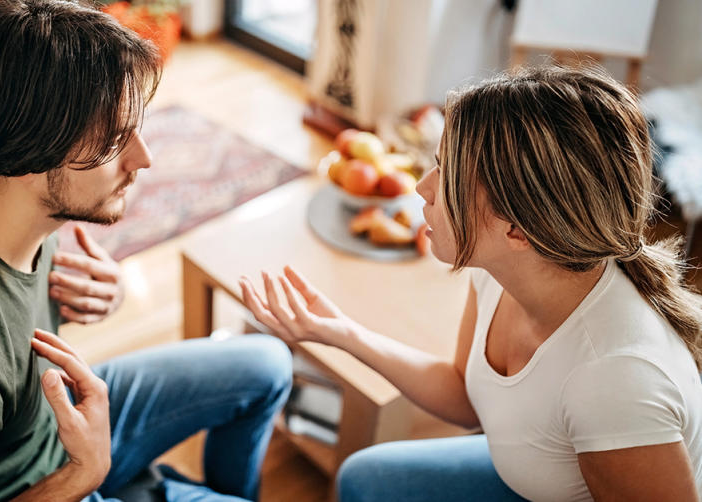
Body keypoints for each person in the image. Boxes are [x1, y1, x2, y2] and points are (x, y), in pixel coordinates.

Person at [0, 1, 292, 501]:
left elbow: (5, 319)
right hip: (49, 480)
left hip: (49, 424)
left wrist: (105, 292)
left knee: (270, 364)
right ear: (29, 151)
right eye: (115, 141)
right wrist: (84, 474)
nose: (145, 158)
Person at [241, 66, 702, 501]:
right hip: (534, 475)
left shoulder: (614, 384)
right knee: (363, 477)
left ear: (518, 230)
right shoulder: (503, 272)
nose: (423, 187)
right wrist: (341, 333)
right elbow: (464, 394)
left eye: (447, 176)